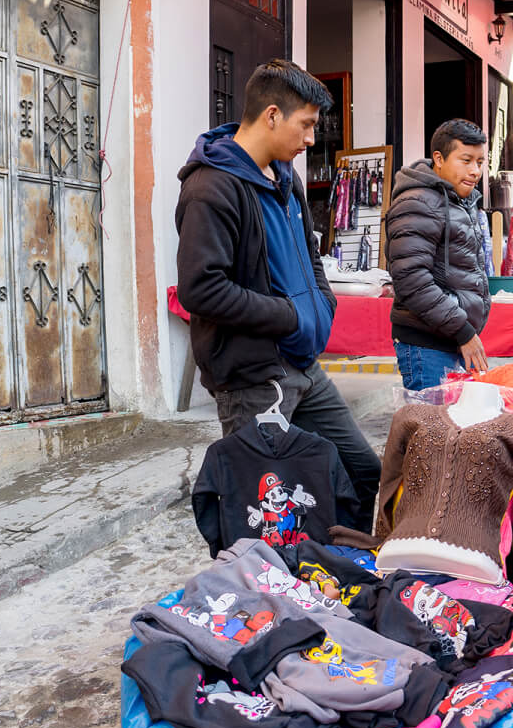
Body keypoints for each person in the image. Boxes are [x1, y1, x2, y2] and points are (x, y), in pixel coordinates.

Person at [176, 58, 379, 527]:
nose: (311, 139)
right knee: (264, 509)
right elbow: (201, 289)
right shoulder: (211, 188)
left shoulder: (285, 180)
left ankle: (336, 569)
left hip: (304, 366)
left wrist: (321, 301)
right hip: (254, 378)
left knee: (362, 473)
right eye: (305, 125)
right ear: (271, 116)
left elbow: (311, 252)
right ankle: (271, 590)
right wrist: (289, 314)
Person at [386, 118, 491, 391]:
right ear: (439, 158)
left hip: (449, 336)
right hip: (426, 343)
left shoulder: (459, 199)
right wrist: (463, 330)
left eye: (480, 162)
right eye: (466, 160)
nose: (475, 170)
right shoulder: (418, 201)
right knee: (432, 428)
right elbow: (411, 280)